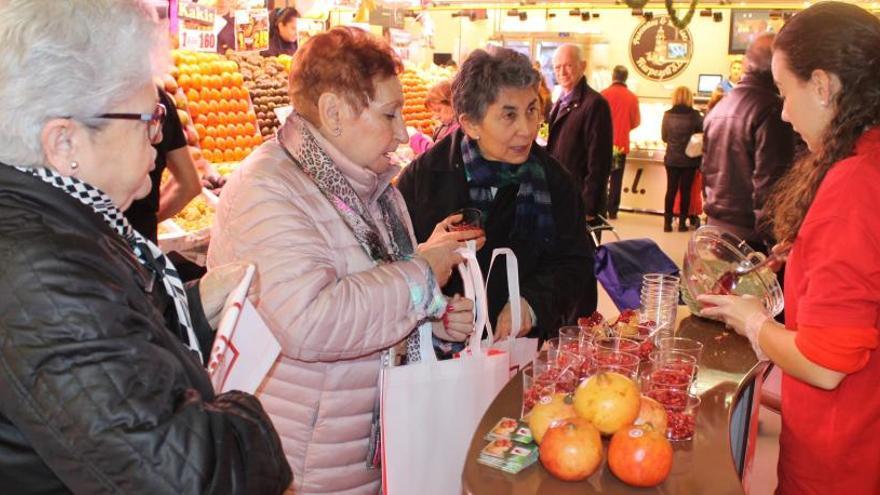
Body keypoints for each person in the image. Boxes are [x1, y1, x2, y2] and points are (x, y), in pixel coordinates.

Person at [0, 1, 292, 493]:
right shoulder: (42, 272)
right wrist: (249, 414)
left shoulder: (62, 229)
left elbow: (108, 360)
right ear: (64, 142)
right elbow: (181, 477)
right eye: (145, 119)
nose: (158, 139)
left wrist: (194, 310)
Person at [207, 27, 478, 494]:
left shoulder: (369, 188)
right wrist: (420, 277)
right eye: (389, 114)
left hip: (360, 451)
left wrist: (432, 317)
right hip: (300, 464)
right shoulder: (267, 190)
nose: (401, 132)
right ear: (333, 112)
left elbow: (375, 295)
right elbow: (309, 320)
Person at [699, 3, 880, 493]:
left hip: (843, 460)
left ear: (822, 86)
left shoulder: (854, 185)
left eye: (784, 93)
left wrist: (751, 320)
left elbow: (825, 365)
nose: (782, 111)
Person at [398, 47, 595, 342]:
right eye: (509, 115)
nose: (527, 130)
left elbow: (576, 263)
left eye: (531, 110)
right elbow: (392, 271)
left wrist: (532, 304)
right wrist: (437, 305)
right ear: (471, 124)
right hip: (442, 362)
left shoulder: (553, 181)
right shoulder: (423, 179)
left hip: (522, 355)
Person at [702, 32, 795, 248]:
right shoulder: (773, 110)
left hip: (715, 227)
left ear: (746, 63)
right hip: (751, 236)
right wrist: (773, 239)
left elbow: (706, 170)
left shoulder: (719, 106)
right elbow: (771, 183)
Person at [546, 44, 613, 232]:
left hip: (580, 202)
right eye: (557, 67)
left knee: (583, 258)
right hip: (560, 196)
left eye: (568, 65)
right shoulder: (560, 101)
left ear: (582, 66)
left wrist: (589, 206)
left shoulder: (595, 104)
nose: (562, 72)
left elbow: (599, 161)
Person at [125, 87, 201, 242]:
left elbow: (190, 185)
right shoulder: (155, 96)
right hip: (142, 247)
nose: (157, 138)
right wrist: (145, 223)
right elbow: (190, 185)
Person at [601, 65, 641, 219]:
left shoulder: (603, 94)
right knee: (617, 178)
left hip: (603, 144)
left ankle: (601, 207)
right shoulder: (632, 97)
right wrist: (624, 127)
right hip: (620, 144)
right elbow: (636, 121)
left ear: (613, 76)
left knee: (602, 176)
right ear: (626, 78)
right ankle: (613, 210)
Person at [661, 86, 703, 232]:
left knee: (670, 190)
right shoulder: (696, 115)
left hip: (671, 158)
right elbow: (701, 136)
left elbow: (664, 137)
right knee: (685, 191)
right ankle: (682, 224)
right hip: (690, 160)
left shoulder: (667, 114)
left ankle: (667, 223)